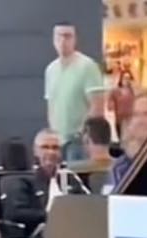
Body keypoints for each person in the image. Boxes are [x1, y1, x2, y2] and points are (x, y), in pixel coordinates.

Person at [44, 22, 105, 162]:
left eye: (68, 36)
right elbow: (51, 105)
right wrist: (52, 134)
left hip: (80, 141)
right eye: (59, 36)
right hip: (58, 141)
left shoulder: (87, 66)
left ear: (75, 39)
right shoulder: (51, 70)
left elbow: (97, 106)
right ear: (53, 40)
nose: (63, 41)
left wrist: (82, 134)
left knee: (77, 179)